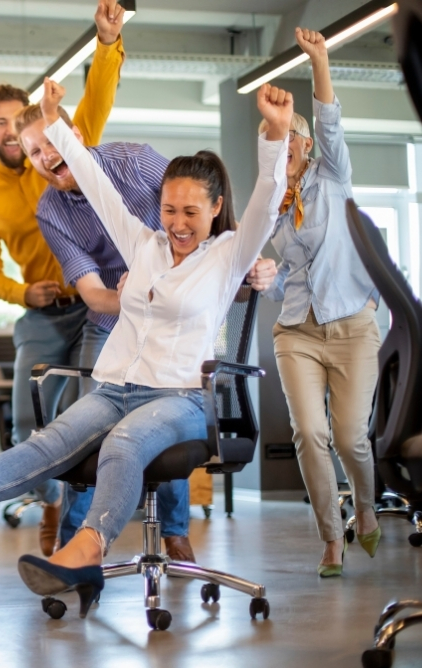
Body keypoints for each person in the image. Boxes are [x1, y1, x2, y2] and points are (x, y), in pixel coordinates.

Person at [0, 77, 291, 610]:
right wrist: (52, 121)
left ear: (214, 210)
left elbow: (267, 198)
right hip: (117, 385)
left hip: (183, 397)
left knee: (121, 445)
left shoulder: (230, 254)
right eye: (169, 210)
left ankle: (87, 552)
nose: (178, 224)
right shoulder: (143, 243)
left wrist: (276, 136)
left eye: (191, 213)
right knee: (49, 441)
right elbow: (95, 184)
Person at [15, 103, 278, 557]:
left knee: (161, 416)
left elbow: (199, 209)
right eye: (34, 152)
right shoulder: (52, 211)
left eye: (52, 141)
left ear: (73, 135)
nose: (46, 156)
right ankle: (71, 543)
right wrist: (141, 292)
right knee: (86, 432)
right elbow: (94, 293)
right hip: (114, 320)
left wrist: (240, 269)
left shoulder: (135, 163)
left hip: (181, 321)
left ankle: (173, 530)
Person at [0, 0, 124, 560]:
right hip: (44, 310)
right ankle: (48, 501)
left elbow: (98, 99)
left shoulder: (62, 151)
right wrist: (21, 292)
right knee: (29, 416)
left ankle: (73, 530)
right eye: (2, 123)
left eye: (19, 119)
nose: (13, 131)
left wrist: (106, 45)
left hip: (100, 302)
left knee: (90, 411)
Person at [261, 28, 381, 577]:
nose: (283, 150)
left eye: (289, 140)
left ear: (305, 146)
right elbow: (282, 268)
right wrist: (265, 273)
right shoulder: (270, 204)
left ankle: (367, 508)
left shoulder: (332, 176)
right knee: (311, 432)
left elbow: (329, 119)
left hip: (353, 324)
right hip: (297, 333)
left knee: (352, 436)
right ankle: (331, 538)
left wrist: (320, 62)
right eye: (273, 141)